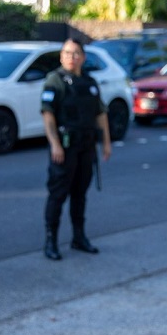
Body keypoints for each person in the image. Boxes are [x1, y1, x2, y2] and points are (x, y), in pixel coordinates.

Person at [41, 38, 112, 259]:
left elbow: (101, 114)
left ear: (83, 57)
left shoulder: (90, 83)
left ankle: (79, 237)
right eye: (66, 53)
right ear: (61, 56)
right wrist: (55, 145)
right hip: (65, 146)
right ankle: (51, 241)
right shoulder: (55, 81)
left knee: (80, 194)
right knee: (58, 194)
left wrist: (106, 143)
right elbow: (48, 115)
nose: (71, 57)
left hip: (86, 145)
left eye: (75, 53)